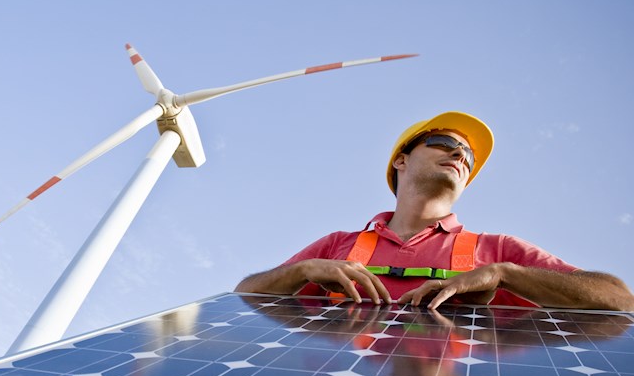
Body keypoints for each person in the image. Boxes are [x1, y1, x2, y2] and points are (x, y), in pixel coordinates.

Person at [235, 111, 634, 311]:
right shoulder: (339, 244)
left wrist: (504, 274)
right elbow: (243, 297)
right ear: (401, 160)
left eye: (469, 156)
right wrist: (302, 270)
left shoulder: (497, 250)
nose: (460, 154)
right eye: (444, 141)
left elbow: (619, 298)